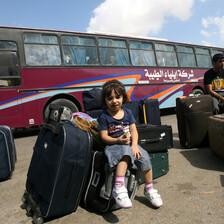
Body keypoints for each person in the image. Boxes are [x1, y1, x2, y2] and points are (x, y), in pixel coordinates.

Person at [97, 79, 163, 209]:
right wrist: (117, 140)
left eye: (118, 97)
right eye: (110, 98)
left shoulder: (127, 113)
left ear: (123, 98)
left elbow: (134, 131)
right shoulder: (104, 117)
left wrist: (134, 145)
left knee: (143, 156)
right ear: (105, 100)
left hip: (128, 145)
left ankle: (149, 189)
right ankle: (119, 187)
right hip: (113, 146)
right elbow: (104, 136)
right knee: (125, 152)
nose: (114, 101)